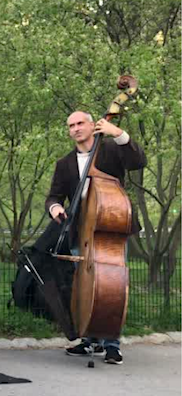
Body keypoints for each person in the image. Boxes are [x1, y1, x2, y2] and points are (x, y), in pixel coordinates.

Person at [46, 111, 146, 365]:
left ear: (92, 125)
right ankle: (90, 338)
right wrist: (55, 208)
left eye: (80, 123)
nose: (76, 128)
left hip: (110, 227)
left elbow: (138, 161)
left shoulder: (111, 151)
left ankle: (112, 343)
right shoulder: (65, 163)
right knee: (86, 286)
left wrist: (120, 135)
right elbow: (53, 196)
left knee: (112, 285)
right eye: (71, 125)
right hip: (83, 229)